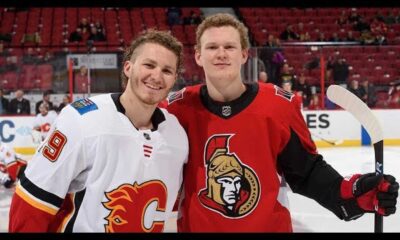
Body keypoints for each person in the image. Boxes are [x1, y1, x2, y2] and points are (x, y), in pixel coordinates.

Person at [163, 13, 398, 232]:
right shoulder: (177, 109)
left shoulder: (277, 106)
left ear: (244, 54)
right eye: (212, 47)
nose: (221, 53)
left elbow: (306, 172)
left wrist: (351, 193)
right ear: (198, 55)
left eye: (230, 47)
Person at [9, 29, 188, 232]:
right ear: (128, 68)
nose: (156, 76)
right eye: (149, 65)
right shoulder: (80, 120)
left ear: (174, 79)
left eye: (167, 70)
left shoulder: (177, 135)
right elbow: (33, 201)